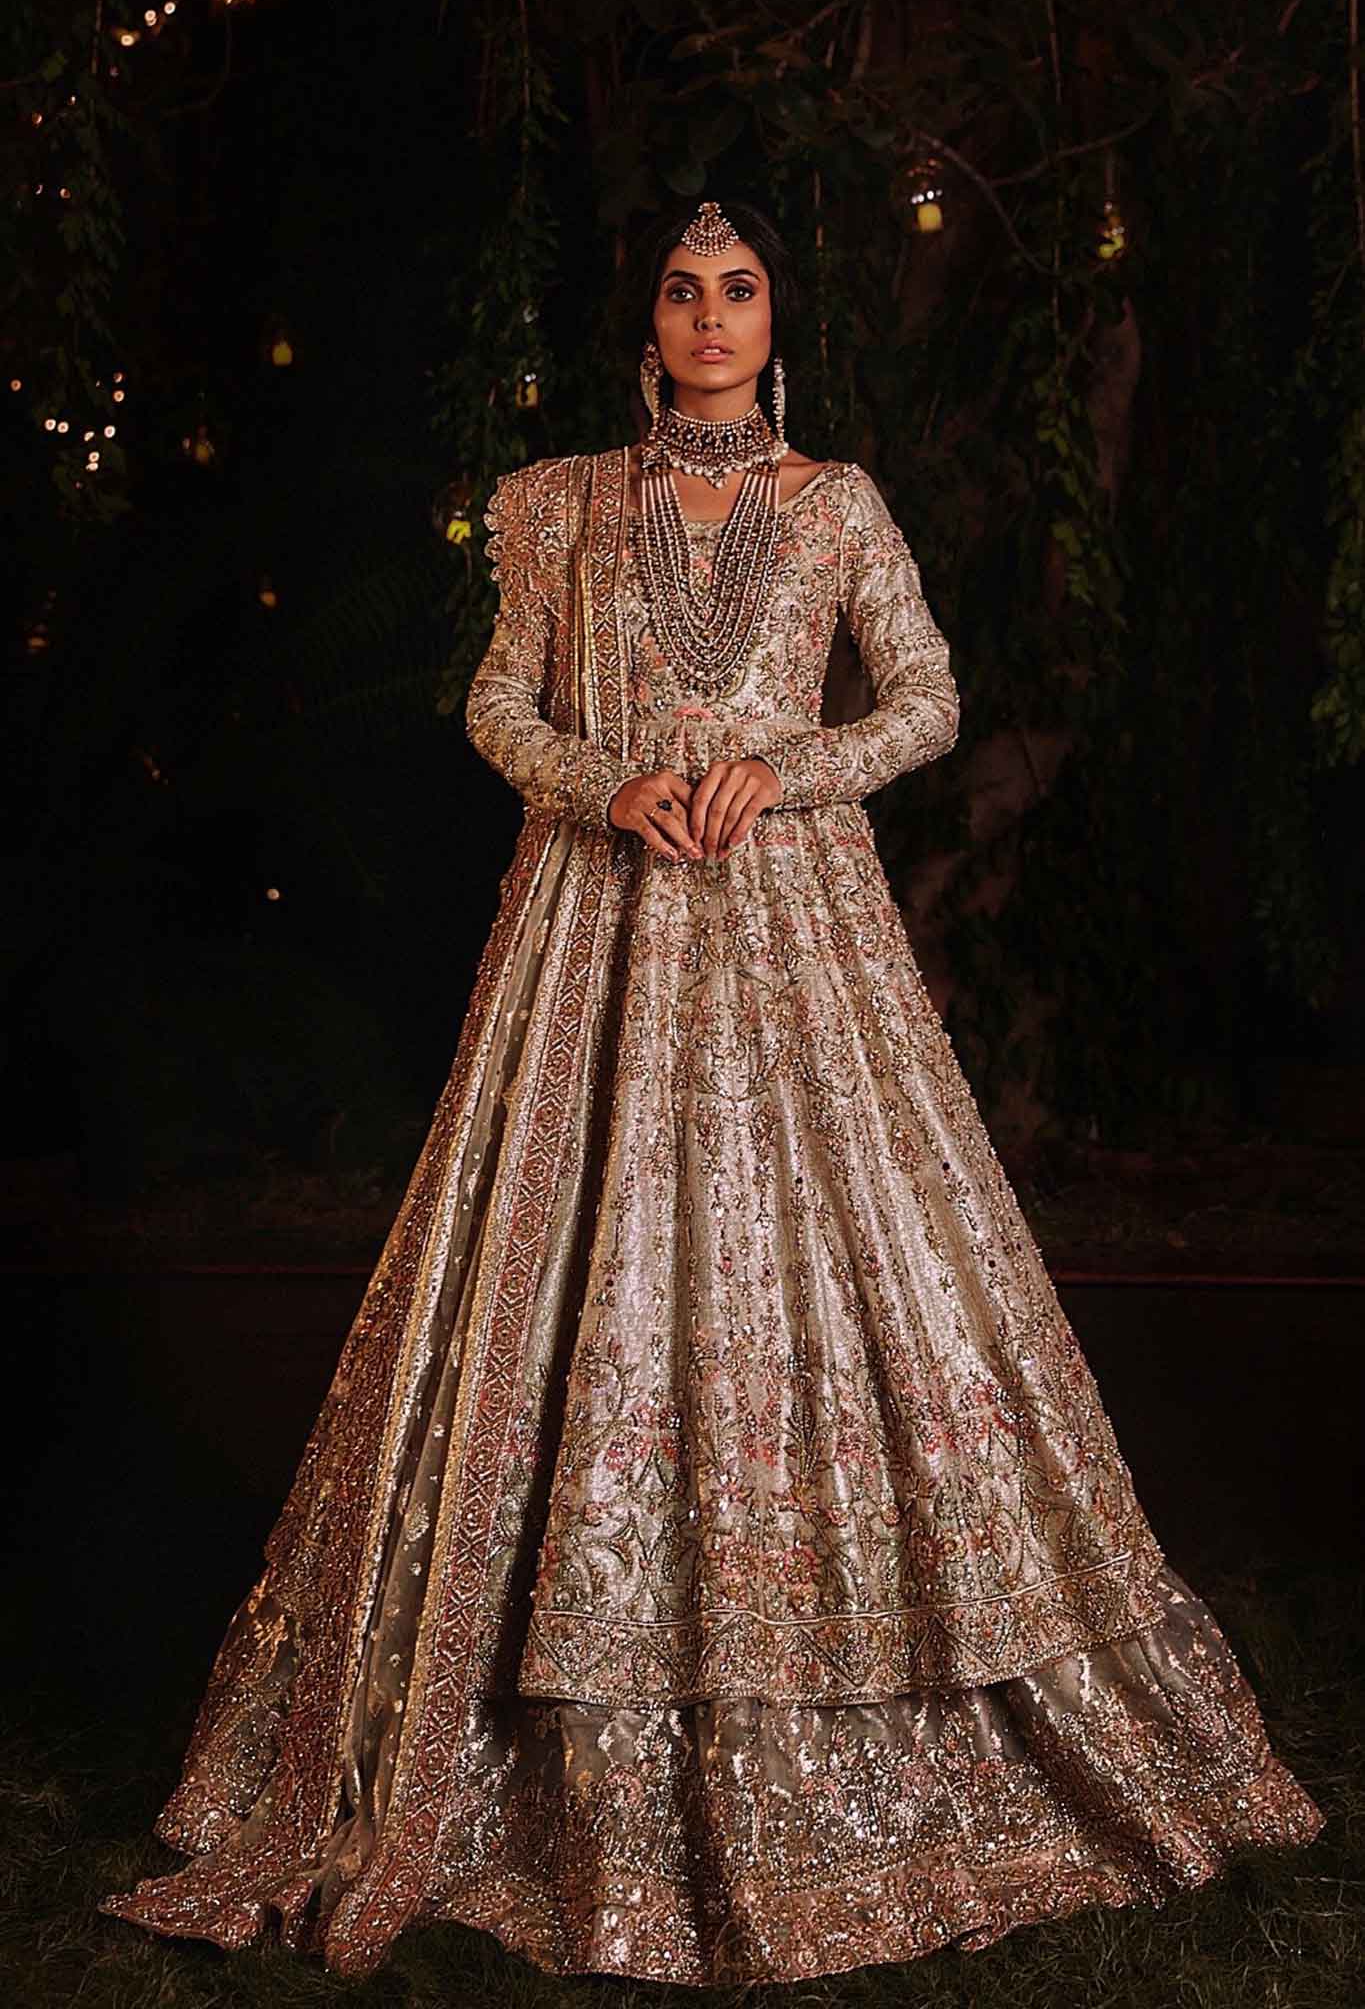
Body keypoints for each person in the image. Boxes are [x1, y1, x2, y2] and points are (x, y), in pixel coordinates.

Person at [98, 197, 1324, 1986]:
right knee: (556, 1264)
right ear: (647, 323)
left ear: (776, 319)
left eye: (738, 289)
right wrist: (602, 785)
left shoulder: (836, 507)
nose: (709, 314)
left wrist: (783, 769)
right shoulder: (558, 505)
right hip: (588, 927)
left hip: (792, 925)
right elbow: (493, 701)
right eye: (681, 291)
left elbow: (928, 698)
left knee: (844, 1259)